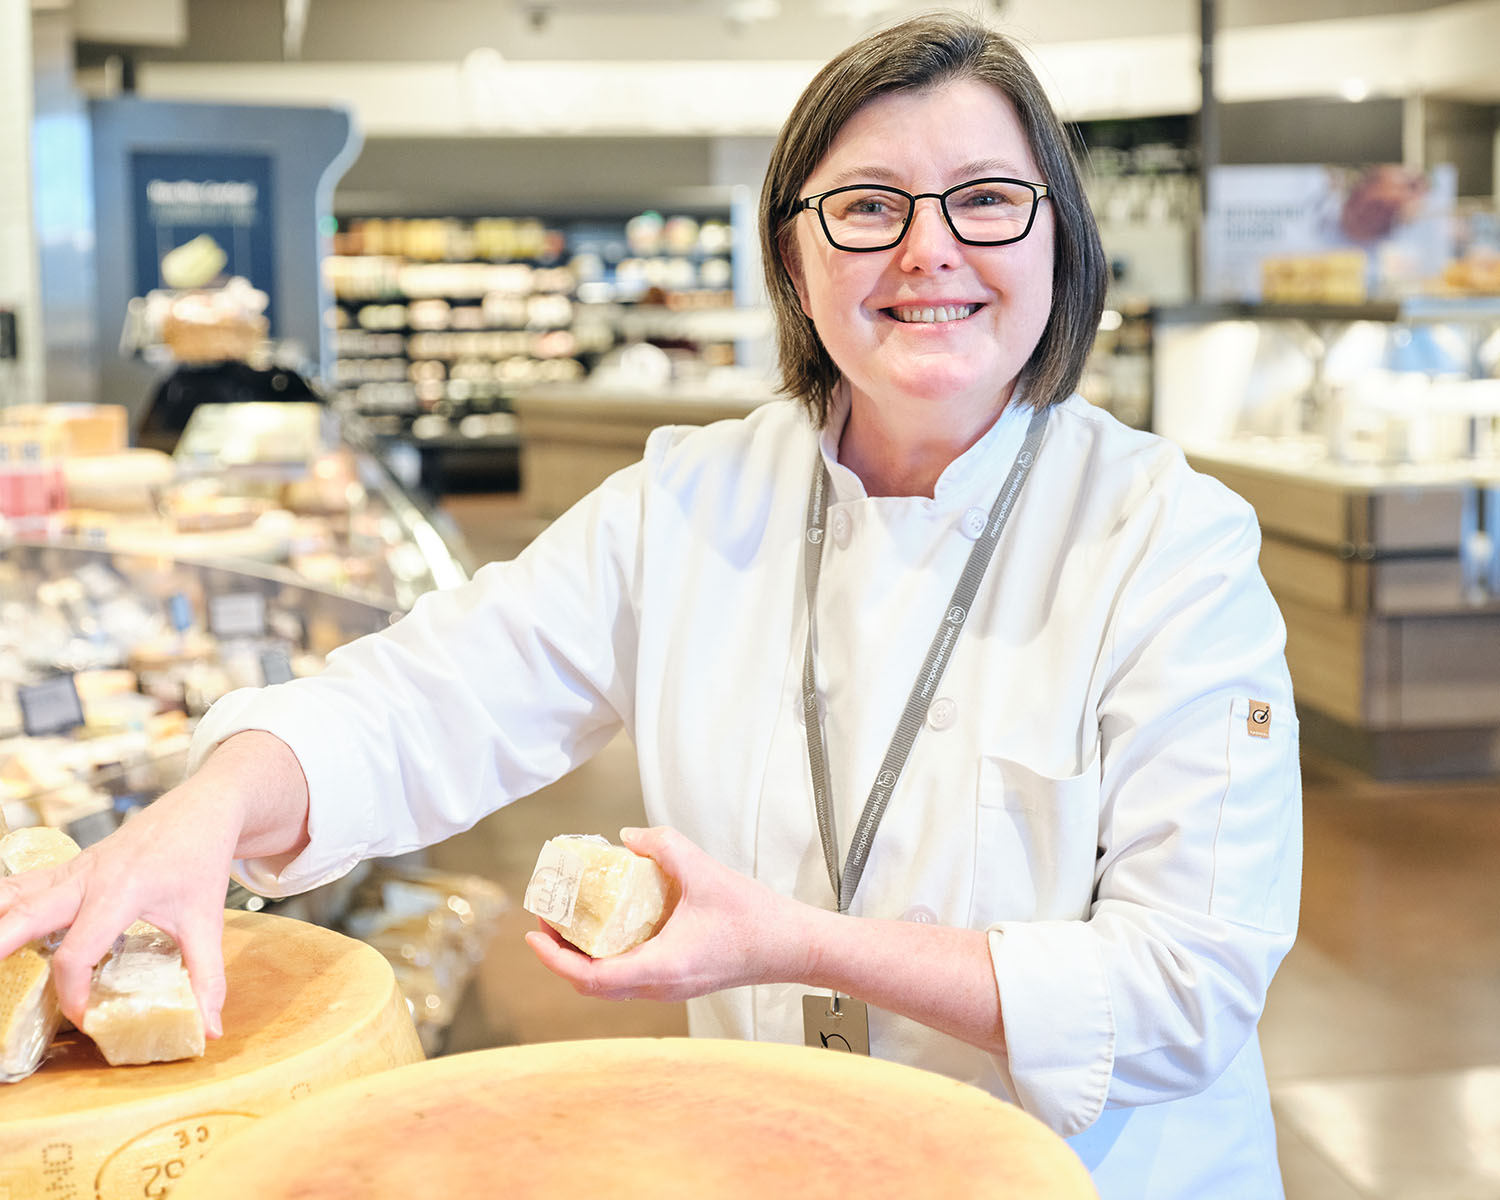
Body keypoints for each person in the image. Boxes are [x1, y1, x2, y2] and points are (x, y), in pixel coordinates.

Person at [0, 14, 1301, 1198]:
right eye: (866, 206)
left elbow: (1188, 986)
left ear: (1059, 237)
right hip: (780, 1154)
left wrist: (800, 945)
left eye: (987, 201)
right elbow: (426, 700)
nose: (929, 250)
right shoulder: (693, 498)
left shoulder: (1168, 540)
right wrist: (208, 806)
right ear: (794, 258)